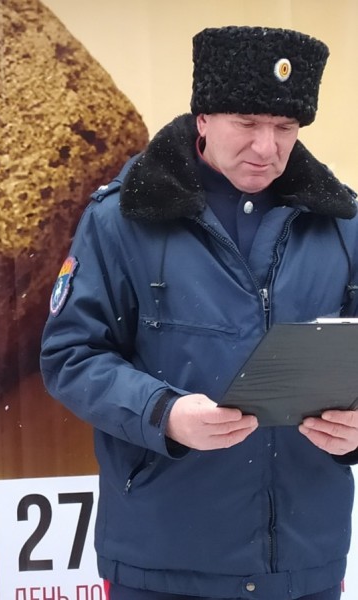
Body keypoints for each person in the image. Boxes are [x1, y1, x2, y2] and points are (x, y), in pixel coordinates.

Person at [40, 26, 358, 600]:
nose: (267, 147)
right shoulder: (121, 219)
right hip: (159, 567)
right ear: (203, 118)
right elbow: (70, 356)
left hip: (305, 569)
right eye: (247, 123)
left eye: (285, 127)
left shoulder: (344, 226)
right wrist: (163, 413)